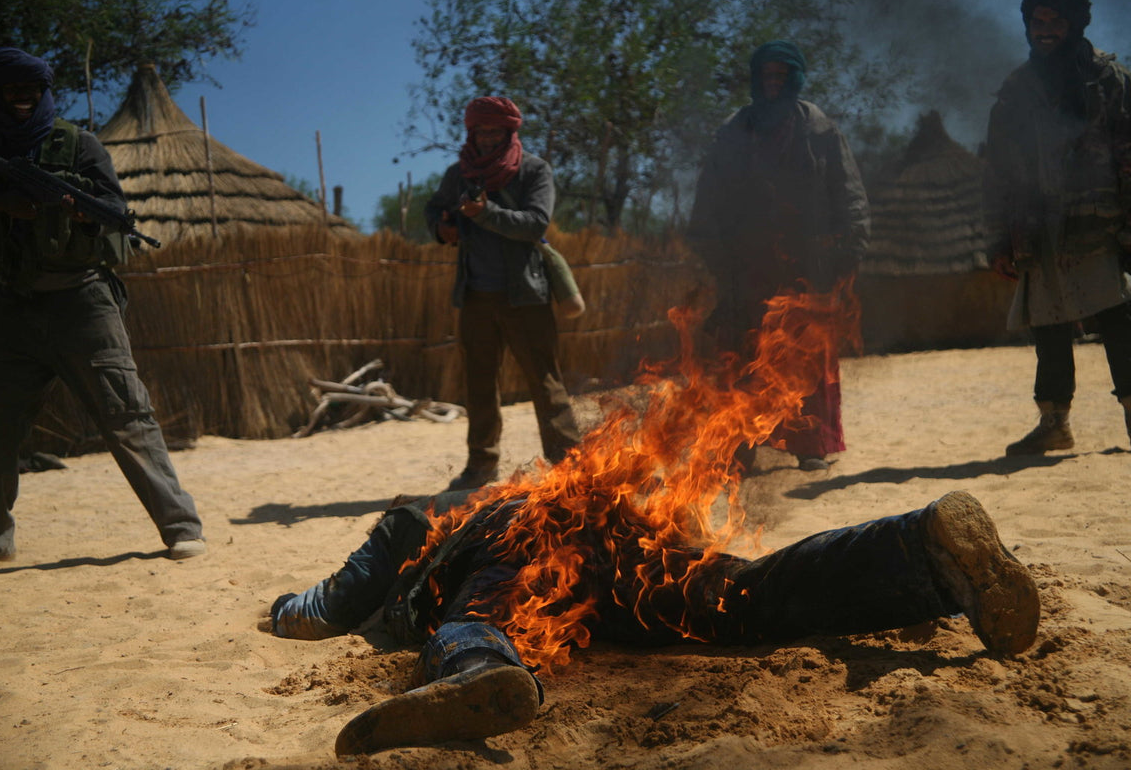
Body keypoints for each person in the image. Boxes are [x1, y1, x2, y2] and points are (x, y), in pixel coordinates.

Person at [270, 488, 1039, 755]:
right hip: (613, 541)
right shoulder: (503, 493)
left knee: (476, 615)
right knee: (747, 598)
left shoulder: (411, 526)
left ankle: (479, 674)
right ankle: (920, 548)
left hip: (526, 543)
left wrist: (277, 611)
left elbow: (324, 609)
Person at [0, 48, 206, 567]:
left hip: (84, 301)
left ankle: (181, 528)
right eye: (11, 91)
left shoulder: (80, 145)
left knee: (127, 415)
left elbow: (115, 209)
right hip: (13, 305)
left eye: (31, 90)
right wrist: (5, 202)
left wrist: (78, 212)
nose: (22, 98)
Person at [983, 0, 1131, 455]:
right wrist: (999, 239)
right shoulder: (1016, 91)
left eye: (1055, 21)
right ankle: (1054, 424)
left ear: (1077, 23)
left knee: (1118, 321)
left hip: (1100, 225)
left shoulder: (1114, 83)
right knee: (1049, 325)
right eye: (1036, 21)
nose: (1044, 30)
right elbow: (998, 172)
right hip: (1038, 228)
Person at [686, 41, 869, 472]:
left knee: (806, 355)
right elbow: (709, 196)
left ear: (794, 80)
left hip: (806, 262)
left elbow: (848, 193)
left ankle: (811, 444)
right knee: (741, 354)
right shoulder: (734, 131)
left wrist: (849, 247)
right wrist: (712, 248)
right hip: (746, 264)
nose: (772, 83)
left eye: (780, 76)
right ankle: (738, 446)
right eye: (766, 75)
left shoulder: (820, 130)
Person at [425, 96, 581, 491]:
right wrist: (442, 226)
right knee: (479, 384)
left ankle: (571, 468)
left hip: (525, 296)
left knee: (545, 383)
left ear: (510, 132)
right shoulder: (458, 174)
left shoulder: (534, 170)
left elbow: (535, 224)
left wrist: (485, 214)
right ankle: (481, 466)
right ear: (472, 133)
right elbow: (435, 209)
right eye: (482, 131)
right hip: (475, 296)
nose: (488, 138)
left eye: (496, 131)